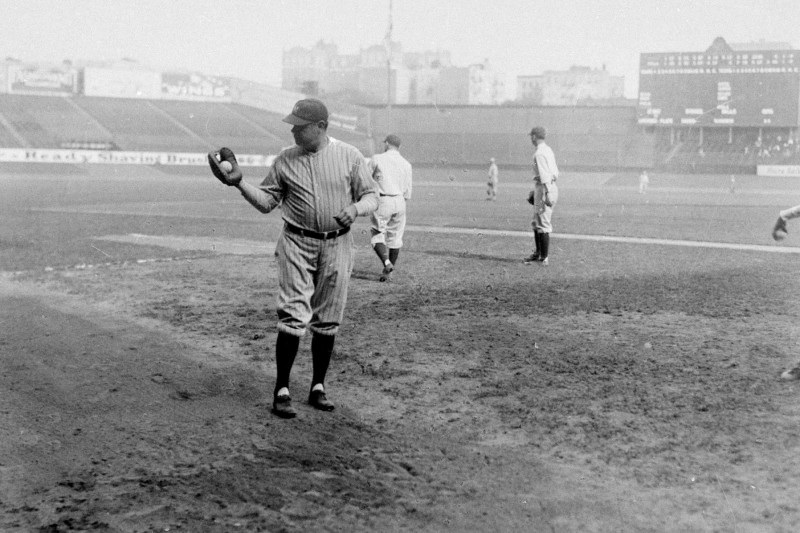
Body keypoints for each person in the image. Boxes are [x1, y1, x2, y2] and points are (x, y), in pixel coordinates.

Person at [209, 98, 379, 419]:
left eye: (300, 128)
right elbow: (267, 202)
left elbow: (372, 196)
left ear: (321, 127)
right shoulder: (285, 160)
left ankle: (318, 387)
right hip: (296, 243)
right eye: (292, 126)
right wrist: (240, 183)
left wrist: (356, 209)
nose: (294, 132)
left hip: (337, 245)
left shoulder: (350, 156)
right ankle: (282, 389)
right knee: (293, 314)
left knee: (328, 318)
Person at [369, 134, 413, 282]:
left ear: (387, 143)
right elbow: (408, 192)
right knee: (395, 237)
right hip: (400, 201)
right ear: (399, 146)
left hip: (384, 199)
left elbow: (366, 178)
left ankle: (387, 263)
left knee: (377, 234)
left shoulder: (377, 158)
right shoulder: (406, 164)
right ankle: (388, 272)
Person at [524, 126, 559, 266]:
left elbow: (544, 176)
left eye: (531, 136)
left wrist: (545, 193)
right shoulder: (548, 150)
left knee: (543, 222)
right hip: (547, 186)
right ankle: (538, 253)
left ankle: (543, 257)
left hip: (545, 188)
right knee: (536, 221)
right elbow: (555, 173)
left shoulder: (539, 153)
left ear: (534, 136)